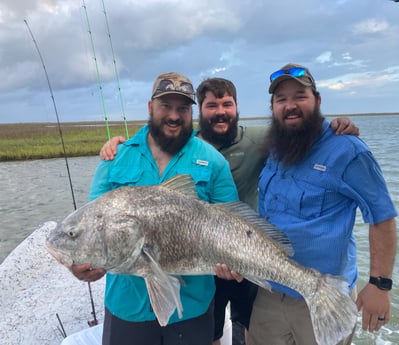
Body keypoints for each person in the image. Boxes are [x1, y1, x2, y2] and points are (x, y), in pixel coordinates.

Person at [101, 77, 360, 345]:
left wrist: (334, 126)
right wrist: (118, 144)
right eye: (212, 105)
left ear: (237, 107)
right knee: (214, 327)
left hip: (244, 249)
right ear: (200, 110)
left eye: (227, 104)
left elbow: (297, 128)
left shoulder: (259, 138)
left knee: (246, 321)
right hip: (201, 264)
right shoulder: (139, 151)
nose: (220, 111)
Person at [70, 71, 239, 345]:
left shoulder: (213, 161)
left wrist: (232, 262)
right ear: (150, 107)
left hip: (191, 310)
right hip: (127, 308)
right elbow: (91, 226)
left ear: (191, 112)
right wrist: (80, 265)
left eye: (182, 108)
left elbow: (231, 223)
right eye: (166, 106)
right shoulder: (115, 157)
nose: (174, 115)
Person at [246, 63, 398, 345]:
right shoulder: (277, 147)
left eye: (300, 96)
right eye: (281, 99)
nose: (290, 105)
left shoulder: (348, 150)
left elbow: (382, 217)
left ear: (317, 101)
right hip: (269, 291)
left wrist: (380, 284)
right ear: (273, 107)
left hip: (324, 297)